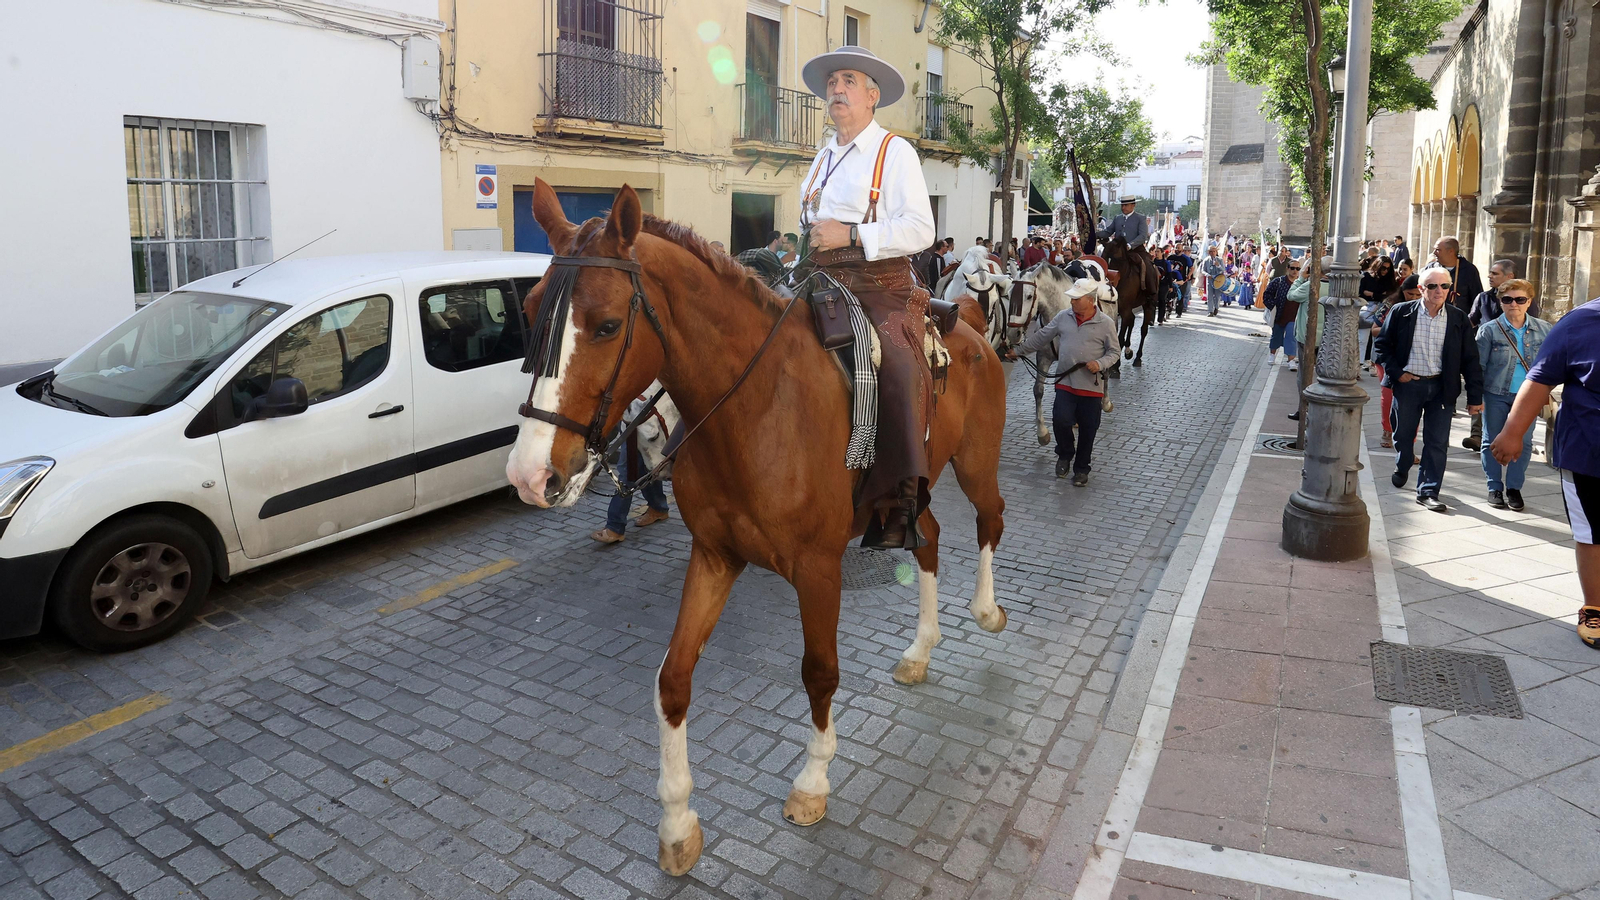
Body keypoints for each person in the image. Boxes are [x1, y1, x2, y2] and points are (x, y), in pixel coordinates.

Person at [796, 44, 936, 549]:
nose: (837, 89)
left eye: (848, 81)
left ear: (872, 96)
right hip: (819, 276)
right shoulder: (821, 155)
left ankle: (899, 499)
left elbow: (922, 228)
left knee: (896, 364)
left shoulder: (894, 152)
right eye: (832, 82)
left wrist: (853, 235)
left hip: (880, 283)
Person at [1490, 295, 1600, 648]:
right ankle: (1594, 608)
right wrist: (1512, 432)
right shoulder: (1580, 322)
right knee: (1592, 532)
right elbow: (1540, 380)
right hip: (1589, 452)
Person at [1375, 266, 1485, 511]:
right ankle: (1403, 463)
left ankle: (1428, 490)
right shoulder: (1401, 312)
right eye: (1433, 286)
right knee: (1403, 435)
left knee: (1437, 442)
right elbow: (1382, 346)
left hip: (1441, 388)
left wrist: (1475, 396)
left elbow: (1470, 359)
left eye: (1444, 286)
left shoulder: (1458, 319)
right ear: (1421, 289)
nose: (1439, 291)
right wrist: (1398, 373)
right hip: (1408, 386)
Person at [1005, 277, 1121, 485]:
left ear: (1090, 300)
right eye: (1072, 298)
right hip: (1065, 382)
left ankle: (1082, 468)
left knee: (1088, 430)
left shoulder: (1106, 323)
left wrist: (1100, 363)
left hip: (1091, 388)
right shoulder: (1063, 317)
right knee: (1061, 421)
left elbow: (1114, 352)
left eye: (1077, 299)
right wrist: (1019, 351)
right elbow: (1041, 337)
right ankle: (1065, 454)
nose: (1072, 302)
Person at [1475, 279, 1551, 510]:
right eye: (1507, 299)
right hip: (1495, 392)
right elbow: (1479, 366)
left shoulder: (1544, 329)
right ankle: (1494, 487)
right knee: (1491, 440)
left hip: (1526, 396)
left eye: (1520, 299)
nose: (1514, 304)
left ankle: (1514, 488)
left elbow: (1550, 364)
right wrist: (1476, 398)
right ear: (1500, 302)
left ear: (1529, 302)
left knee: (1524, 442)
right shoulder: (1488, 330)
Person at [592, 402, 671, 544]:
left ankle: (615, 527)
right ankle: (658, 507)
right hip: (632, 419)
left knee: (628, 472)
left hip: (645, 418)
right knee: (642, 467)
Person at [1367, 275, 1421, 448]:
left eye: (1417, 295)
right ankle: (1387, 430)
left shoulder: (1428, 308)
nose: (1413, 298)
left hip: (1413, 357)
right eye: (1409, 294)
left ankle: (1409, 442)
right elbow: (1374, 329)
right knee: (1388, 394)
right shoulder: (1390, 304)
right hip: (1386, 356)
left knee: (1413, 399)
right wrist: (1395, 330)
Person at [1098, 196, 1160, 300]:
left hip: (1136, 250)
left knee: (1147, 264)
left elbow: (1142, 236)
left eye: (1126, 205)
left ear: (1133, 205)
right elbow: (1108, 231)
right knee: (1104, 261)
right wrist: (1094, 234)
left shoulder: (1140, 218)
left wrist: (1130, 245)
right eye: (1122, 205)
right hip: (1118, 251)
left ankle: (1151, 292)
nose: (1123, 207)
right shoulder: (1117, 218)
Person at [1431, 236, 1484, 315]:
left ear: (1451, 251)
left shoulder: (1469, 270)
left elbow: (1477, 299)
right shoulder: (1431, 268)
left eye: (1438, 250)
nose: (1434, 253)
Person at [1263, 257, 1301, 368]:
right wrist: (1273, 305)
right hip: (1279, 314)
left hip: (1294, 315)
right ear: (1287, 268)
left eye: (1298, 268)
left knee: (1291, 336)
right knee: (1276, 335)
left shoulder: (1301, 283)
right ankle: (1272, 354)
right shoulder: (1278, 281)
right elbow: (1267, 295)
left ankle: (1291, 360)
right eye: (1293, 268)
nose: (1295, 271)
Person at [1468, 259, 1529, 327]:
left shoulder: (1523, 299)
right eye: (1490, 272)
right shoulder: (1483, 297)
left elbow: (1530, 323)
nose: (1489, 276)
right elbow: (1470, 323)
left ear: (1510, 276)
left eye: (1495, 274)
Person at [1198, 244, 1226, 316]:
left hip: (1218, 280)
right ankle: (1210, 311)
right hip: (1210, 279)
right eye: (1211, 251)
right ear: (1208, 252)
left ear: (1216, 252)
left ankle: (1216, 307)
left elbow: (1223, 270)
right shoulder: (1206, 260)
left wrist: (1218, 265)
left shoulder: (1220, 260)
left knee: (1217, 296)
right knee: (1209, 296)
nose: (1213, 253)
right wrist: (1207, 275)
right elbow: (1203, 270)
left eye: (1214, 251)